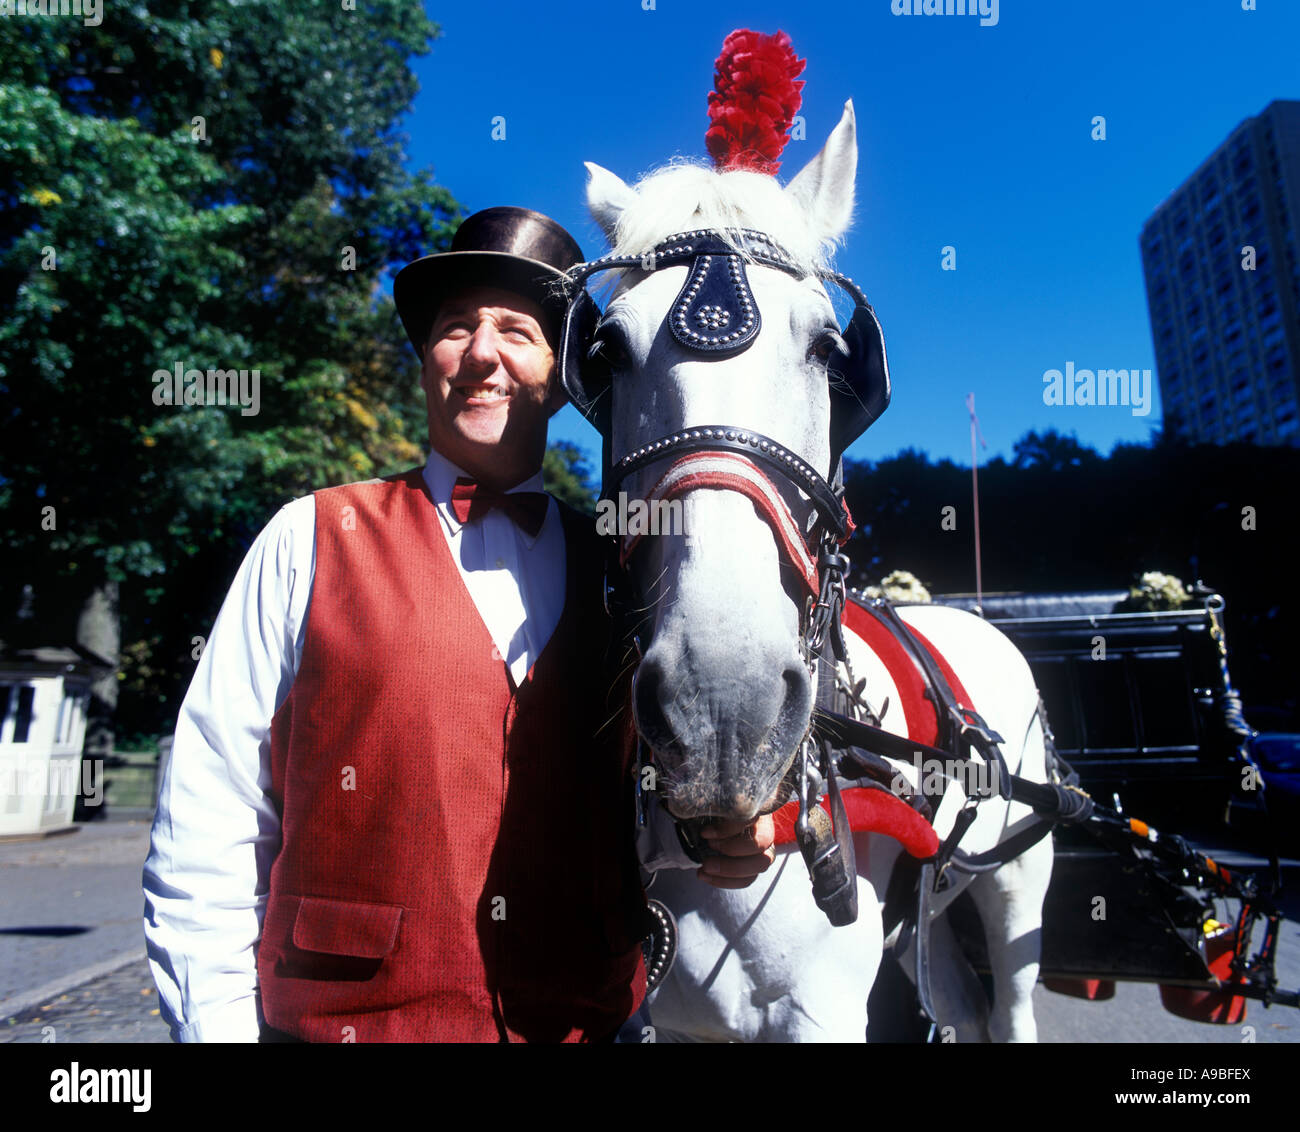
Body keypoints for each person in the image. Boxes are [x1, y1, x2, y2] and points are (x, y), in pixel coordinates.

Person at [142, 205, 774, 1043]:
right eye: (455, 328)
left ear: (562, 372)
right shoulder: (308, 537)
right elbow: (209, 813)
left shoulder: (626, 567)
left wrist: (710, 831)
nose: (483, 353)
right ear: (425, 361)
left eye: (518, 329)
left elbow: (632, 812)